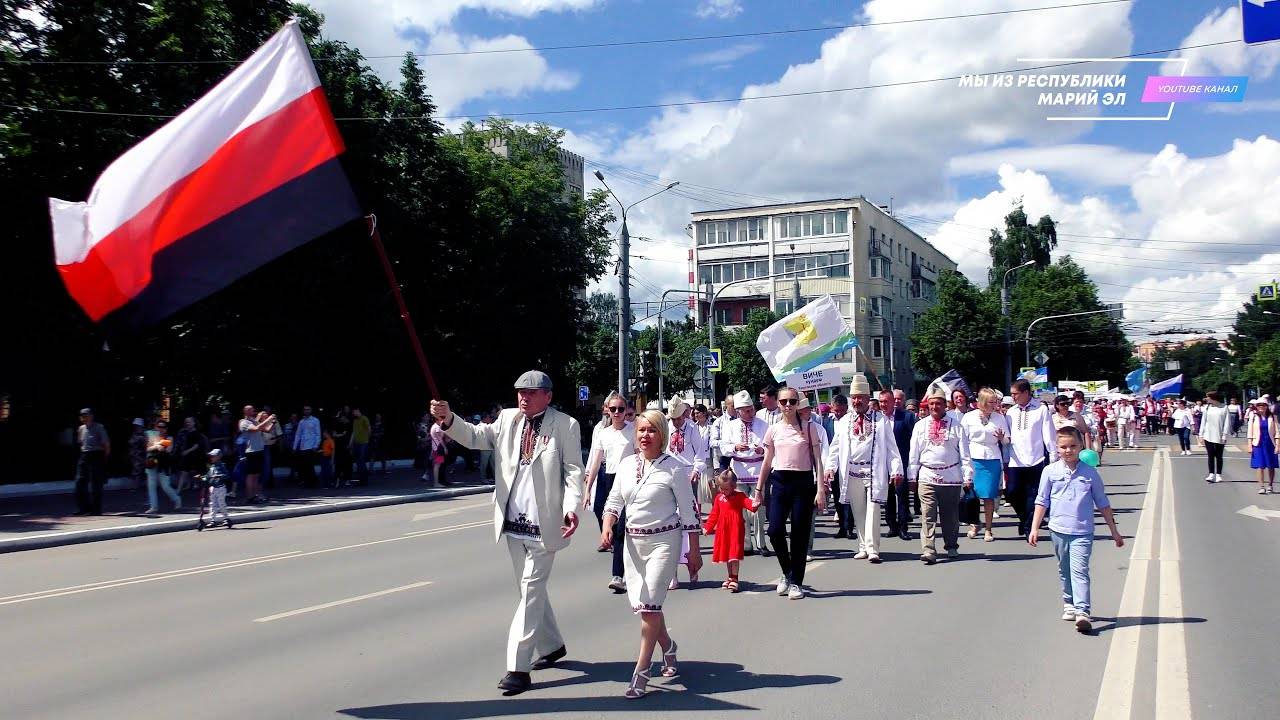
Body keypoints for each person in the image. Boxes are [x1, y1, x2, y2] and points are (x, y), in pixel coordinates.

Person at [431, 370, 584, 697]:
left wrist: (572, 508)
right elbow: (474, 436)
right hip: (513, 524)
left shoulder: (565, 425)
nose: (524, 398)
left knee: (529, 591)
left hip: (546, 525)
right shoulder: (507, 419)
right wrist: (448, 419)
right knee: (528, 590)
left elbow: (574, 472)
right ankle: (552, 645)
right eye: (520, 392)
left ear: (548, 396)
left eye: (531, 393)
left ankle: (518, 668)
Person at [600, 409, 701, 699]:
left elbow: (689, 513)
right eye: (642, 430)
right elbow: (614, 501)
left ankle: (641, 671)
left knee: (650, 606)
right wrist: (607, 526)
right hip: (634, 545)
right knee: (648, 607)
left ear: (662, 435)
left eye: (652, 430)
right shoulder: (627, 465)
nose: (646, 435)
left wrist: (694, 553)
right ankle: (668, 647)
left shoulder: (674, 468)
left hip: (664, 543)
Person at [1028, 427, 1124, 633]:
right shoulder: (1050, 471)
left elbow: (1102, 503)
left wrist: (1114, 531)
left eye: (1073, 446)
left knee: (1079, 570)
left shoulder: (1090, 473)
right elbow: (1042, 501)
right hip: (1057, 529)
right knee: (1064, 569)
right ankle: (1069, 603)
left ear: (1081, 446)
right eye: (1063, 447)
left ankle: (1082, 611)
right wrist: (1034, 528)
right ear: (1057, 448)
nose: (1068, 450)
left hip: (1082, 531)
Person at [826, 374, 904, 565]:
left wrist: (896, 469)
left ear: (868, 398)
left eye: (860, 397)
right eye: (854, 398)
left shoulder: (881, 420)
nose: (857, 401)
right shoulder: (845, 421)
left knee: (873, 509)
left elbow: (891, 447)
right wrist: (830, 467)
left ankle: (873, 548)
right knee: (858, 511)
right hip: (851, 472)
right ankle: (863, 546)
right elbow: (835, 447)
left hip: (873, 471)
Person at [756, 386, 825, 599]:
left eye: (792, 401)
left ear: (798, 404)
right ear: (778, 403)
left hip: (803, 482)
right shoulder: (773, 429)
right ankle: (787, 571)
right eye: (784, 401)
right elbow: (767, 461)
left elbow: (818, 460)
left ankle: (796, 582)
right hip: (780, 481)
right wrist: (759, 489)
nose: (788, 405)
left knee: (799, 534)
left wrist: (820, 489)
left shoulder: (809, 427)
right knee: (774, 530)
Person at [909, 386, 971, 563]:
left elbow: (965, 454)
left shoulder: (957, 426)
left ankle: (951, 545)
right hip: (927, 476)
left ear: (945, 405)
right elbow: (914, 454)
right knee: (928, 515)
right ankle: (928, 550)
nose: (934, 407)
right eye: (931, 404)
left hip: (951, 478)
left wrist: (968, 476)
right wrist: (912, 476)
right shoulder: (920, 426)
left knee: (950, 516)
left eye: (938, 404)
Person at [583, 391, 634, 592]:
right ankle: (618, 566)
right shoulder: (603, 433)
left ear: (626, 410)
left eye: (621, 409)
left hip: (629, 480)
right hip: (609, 479)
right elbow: (596, 462)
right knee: (603, 512)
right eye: (613, 409)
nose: (617, 412)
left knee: (622, 528)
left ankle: (618, 574)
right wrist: (588, 489)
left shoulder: (633, 430)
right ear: (607, 411)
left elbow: (640, 456)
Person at [1006, 379, 1058, 538]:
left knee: (1033, 494)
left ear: (1026, 392)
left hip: (1036, 458)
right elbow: (1007, 436)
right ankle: (1024, 518)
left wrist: (1053, 455)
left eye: (1015, 394)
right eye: (1011, 394)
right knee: (1012, 493)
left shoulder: (1041, 410)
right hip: (1015, 460)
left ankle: (1029, 526)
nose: (1013, 397)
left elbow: (1048, 434)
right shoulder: (1011, 412)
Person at [721, 390, 770, 555]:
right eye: (746, 411)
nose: (750, 413)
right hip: (738, 470)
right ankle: (745, 544)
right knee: (739, 509)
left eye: (751, 409)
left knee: (758, 508)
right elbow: (723, 447)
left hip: (758, 470)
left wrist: (761, 449)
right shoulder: (730, 426)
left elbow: (770, 446)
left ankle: (761, 543)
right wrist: (735, 447)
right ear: (738, 411)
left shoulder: (763, 424)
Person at [961, 388, 1010, 542]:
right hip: (973, 458)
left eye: (995, 402)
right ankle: (975, 523)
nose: (994, 405)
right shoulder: (968, 417)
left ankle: (988, 529)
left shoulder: (999, 418)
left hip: (992, 459)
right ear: (982, 402)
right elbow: (962, 440)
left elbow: (1007, 441)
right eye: (991, 402)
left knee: (989, 496)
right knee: (972, 496)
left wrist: (1002, 438)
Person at [701, 469, 760, 593]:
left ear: (733, 486)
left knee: (734, 555)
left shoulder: (739, 496)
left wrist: (755, 503)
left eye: (726, 489)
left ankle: (735, 578)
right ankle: (730, 576)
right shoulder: (719, 498)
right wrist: (707, 527)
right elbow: (714, 515)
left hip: (736, 530)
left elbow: (749, 504)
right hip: (723, 530)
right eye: (721, 488)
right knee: (727, 555)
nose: (723, 491)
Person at [883, 387, 916, 541]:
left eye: (887, 401)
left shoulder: (907, 417)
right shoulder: (878, 418)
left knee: (902, 497)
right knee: (887, 497)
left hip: (902, 463)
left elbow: (913, 441)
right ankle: (892, 526)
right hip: (883, 464)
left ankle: (903, 528)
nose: (884, 405)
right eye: (882, 402)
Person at [825, 395, 854, 539]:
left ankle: (849, 527)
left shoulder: (851, 421)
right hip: (833, 466)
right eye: (836, 411)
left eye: (842, 411)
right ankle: (842, 526)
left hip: (848, 464)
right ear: (832, 408)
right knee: (837, 497)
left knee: (850, 497)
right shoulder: (827, 423)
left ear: (846, 408)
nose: (839, 413)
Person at [74, 408, 111, 515]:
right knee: (79, 481)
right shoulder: (81, 428)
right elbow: (80, 442)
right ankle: (83, 508)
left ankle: (96, 509)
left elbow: (106, 444)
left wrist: (104, 458)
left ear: (91, 416)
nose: (84, 418)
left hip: (97, 454)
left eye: (86, 416)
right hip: (85, 454)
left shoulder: (99, 427)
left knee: (96, 483)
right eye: (82, 416)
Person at [238, 406, 275, 503]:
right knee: (251, 475)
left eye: (253, 409)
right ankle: (250, 497)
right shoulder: (244, 422)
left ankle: (255, 495)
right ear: (246, 411)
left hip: (259, 450)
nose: (254, 411)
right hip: (251, 451)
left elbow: (267, 430)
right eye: (251, 410)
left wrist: (273, 422)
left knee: (256, 475)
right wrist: (268, 419)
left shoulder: (253, 421)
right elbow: (256, 429)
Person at [144, 419, 180, 514]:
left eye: (163, 427)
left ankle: (177, 499)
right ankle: (154, 507)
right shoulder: (152, 436)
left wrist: (159, 445)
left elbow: (168, 450)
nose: (161, 429)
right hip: (152, 462)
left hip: (163, 464)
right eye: (159, 427)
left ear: (166, 429)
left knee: (165, 486)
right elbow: (148, 448)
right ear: (155, 427)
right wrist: (156, 446)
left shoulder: (169, 438)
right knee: (151, 486)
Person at [1248, 398, 1279, 494]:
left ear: (1267, 406)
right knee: (1260, 465)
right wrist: (1249, 445)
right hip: (1258, 444)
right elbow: (1250, 432)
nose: (1261, 407)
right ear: (1256, 406)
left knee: (1271, 466)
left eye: (1263, 405)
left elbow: (1277, 432)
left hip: (1270, 443)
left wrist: (1278, 445)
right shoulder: (1253, 416)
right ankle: (1261, 486)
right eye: (1259, 405)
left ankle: (1270, 485)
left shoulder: (1272, 416)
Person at [1199, 391, 1231, 483]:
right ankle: (1211, 473)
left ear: (1213, 398)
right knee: (1210, 455)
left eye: (1208, 397)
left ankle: (1218, 475)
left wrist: (1224, 435)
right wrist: (1201, 434)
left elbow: (1227, 422)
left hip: (1219, 434)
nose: (1206, 399)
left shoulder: (1224, 407)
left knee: (1219, 455)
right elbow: (1203, 421)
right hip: (1208, 434)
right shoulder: (1207, 408)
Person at [174, 416, 209, 495]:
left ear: (194, 423)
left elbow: (197, 445)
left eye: (189, 422)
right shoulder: (185, 432)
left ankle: (206, 487)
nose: (187, 423)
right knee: (184, 473)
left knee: (201, 474)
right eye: (186, 422)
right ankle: (178, 491)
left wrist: (187, 451)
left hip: (197, 456)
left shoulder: (197, 433)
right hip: (188, 456)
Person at [292, 405, 321, 488]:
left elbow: (318, 434)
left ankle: (313, 482)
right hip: (303, 446)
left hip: (311, 446)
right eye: (305, 410)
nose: (306, 411)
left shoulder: (315, 420)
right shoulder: (302, 422)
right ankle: (307, 482)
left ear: (311, 410)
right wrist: (294, 447)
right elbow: (298, 434)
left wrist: (316, 445)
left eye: (308, 409)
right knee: (304, 465)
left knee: (310, 465)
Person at [203, 448, 231, 526]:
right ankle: (213, 520)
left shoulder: (222, 465)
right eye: (210, 456)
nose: (211, 458)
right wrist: (202, 477)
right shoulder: (212, 466)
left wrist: (219, 476)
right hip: (213, 488)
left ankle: (226, 518)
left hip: (220, 488)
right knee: (212, 504)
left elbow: (227, 475)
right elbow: (208, 476)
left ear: (218, 457)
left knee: (221, 504)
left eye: (213, 456)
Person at [350, 407, 372, 485]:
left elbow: (369, 429)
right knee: (358, 461)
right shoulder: (355, 421)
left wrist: (367, 439)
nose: (353, 413)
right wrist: (350, 443)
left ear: (358, 411)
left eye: (354, 412)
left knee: (361, 460)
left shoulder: (364, 418)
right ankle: (361, 479)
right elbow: (354, 432)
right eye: (353, 412)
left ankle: (364, 480)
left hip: (363, 443)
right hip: (356, 443)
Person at [127, 418, 148, 491]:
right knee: (136, 471)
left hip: (139, 456)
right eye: (135, 425)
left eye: (137, 425)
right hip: (134, 455)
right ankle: (138, 486)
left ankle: (136, 487)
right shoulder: (135, 433)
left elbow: (145, 446)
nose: (135, 426)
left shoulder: (143, 435)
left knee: (137, 471)